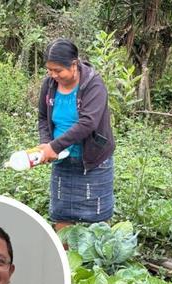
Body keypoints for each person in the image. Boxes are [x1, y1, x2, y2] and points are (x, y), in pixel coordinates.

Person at [38, 38, 115, 234]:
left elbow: (88, 122)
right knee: (62, 213)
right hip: (63, 162)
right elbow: (42, 118)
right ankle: (66, 260)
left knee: (98, 217)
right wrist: (46, 143)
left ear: (73, 65)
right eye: (49, 70)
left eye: (58, 70)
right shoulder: (49, 85)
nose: (53, 75)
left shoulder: (93, 85)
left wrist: (55, 146)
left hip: (93, 160)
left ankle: (100, 260)